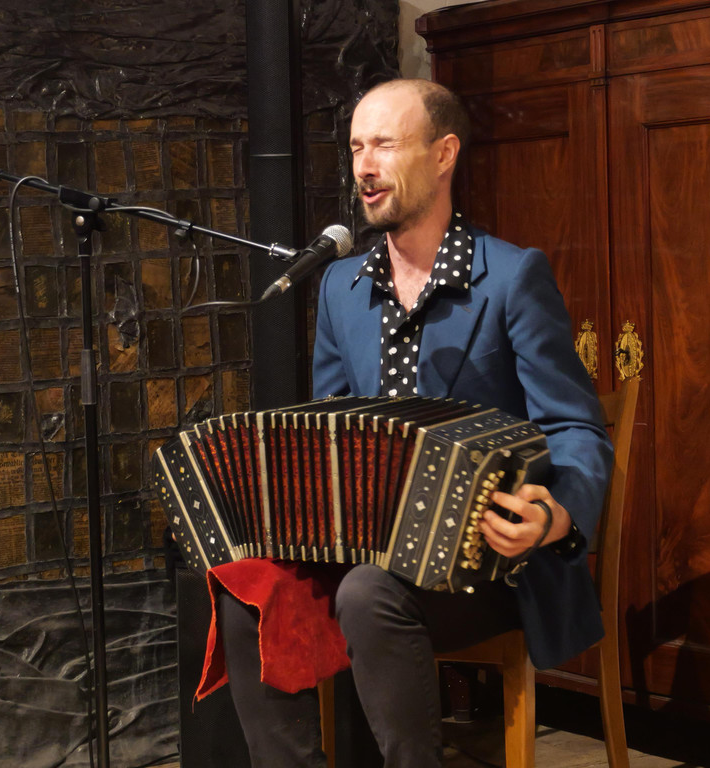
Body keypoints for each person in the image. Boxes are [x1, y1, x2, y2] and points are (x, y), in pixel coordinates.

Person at [216, 78, 614, 768]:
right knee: (246, 580)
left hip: (490, 563)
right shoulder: (341, 287)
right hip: (368, 551)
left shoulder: (511, 277)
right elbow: (331, 433)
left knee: (368, 593)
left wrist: (554, 518)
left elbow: (576, 426)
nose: (364, 167)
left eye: (385, 145)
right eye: (356, 148)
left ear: (443, 154)